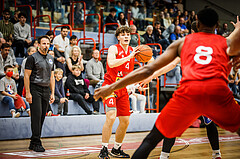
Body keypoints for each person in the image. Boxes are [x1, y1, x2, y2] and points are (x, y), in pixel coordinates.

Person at [94, 8, 240, 158]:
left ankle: (164, 156)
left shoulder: (183, 43)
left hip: (189, 93)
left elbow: (150, 69)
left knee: (152, 139)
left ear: (197, 25)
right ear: (217, 24)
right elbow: (236, 44)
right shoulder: (227, 43)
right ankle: (216, 154)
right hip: (218, 93)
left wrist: (113, 86)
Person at [98, 26, 139, 159]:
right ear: (118, 37)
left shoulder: (133, 51)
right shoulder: (113, 48)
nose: (126, 36)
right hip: (110, 87)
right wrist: (128, 57)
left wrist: (134, 83)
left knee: (125, 121)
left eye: (128, 34)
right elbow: (111, 62)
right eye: (123, 34)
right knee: (111, 117)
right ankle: (104, 149)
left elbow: (131, 72)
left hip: (123, 88)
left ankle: (116, 149)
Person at [24, 35, 55, 152]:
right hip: (35, 88)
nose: (46, 45)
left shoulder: (51, 58)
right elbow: (26, 76)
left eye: (47, 43)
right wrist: (28, 92)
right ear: (38, 44)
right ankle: (37, 142)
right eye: (43, 43)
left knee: (42, 116)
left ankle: (33, 140)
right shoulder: (32, 58)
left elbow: (52, 77)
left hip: (46, 89)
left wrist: (52, 93)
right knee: (36, 116)